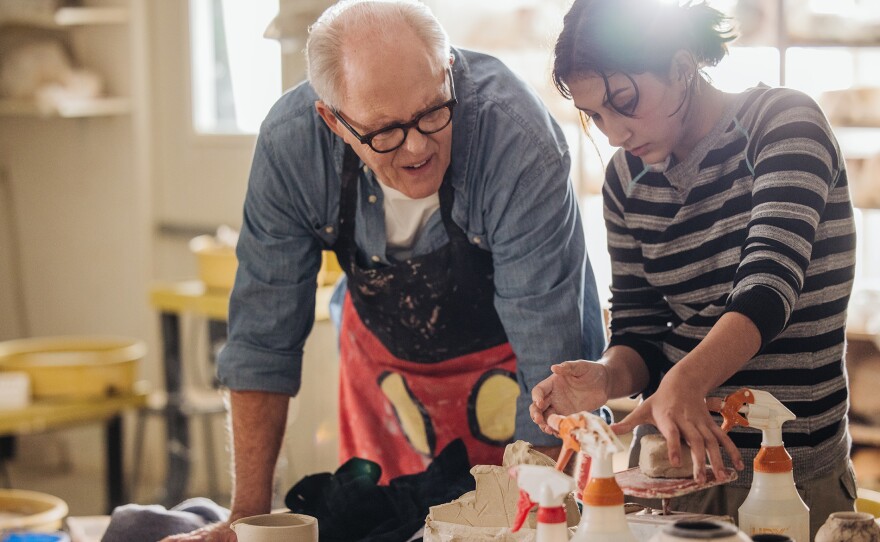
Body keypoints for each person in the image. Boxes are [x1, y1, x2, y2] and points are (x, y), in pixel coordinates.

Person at [163, 0, 606, 539]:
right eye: (385, 132)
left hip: (514, 380)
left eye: (432, 113)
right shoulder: (291, 145)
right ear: (333, 119)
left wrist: (534, 518)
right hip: (387, 378)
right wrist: (244, 519)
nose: (417, 146)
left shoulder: (515, 138)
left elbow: (551, 364)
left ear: (446, 73)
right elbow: (262, 340)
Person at [529, 0, 857, 538]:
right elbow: (642, 328)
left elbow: (768, 285)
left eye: (625, 102)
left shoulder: (783, 124)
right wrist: (608, 376)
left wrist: (687, 378)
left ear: (682, 67)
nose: (615, 134)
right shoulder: (624, 181)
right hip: (672, 477)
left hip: (791, 478)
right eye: (596, 116)